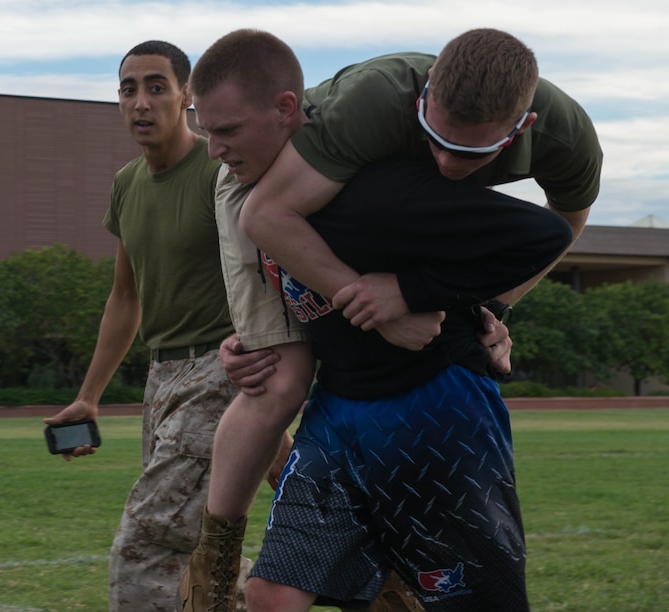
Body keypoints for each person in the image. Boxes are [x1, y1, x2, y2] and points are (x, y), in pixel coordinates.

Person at [182, 28, 596, 611]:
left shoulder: (553, 143)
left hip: (432, 401)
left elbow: (559, 225)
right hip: (345, 401)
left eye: (471, 153)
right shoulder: (362, 116)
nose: (450, 164)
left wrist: (486, 308)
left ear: (519, 131)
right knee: (276, 383)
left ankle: (387, 576)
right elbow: (267, 218)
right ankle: (215, 562)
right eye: (437, 141)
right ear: (420, 103)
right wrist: (358, 308)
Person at [42, 41, 261, 612]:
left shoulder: (222, 172)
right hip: (160, 378)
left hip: (221, 367)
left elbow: (275, 267)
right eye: (128, 88)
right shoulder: (127, 184)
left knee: (145, 544)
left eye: (156, 87)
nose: (141, 101)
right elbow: (125, 296)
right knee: (198, 552)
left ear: (187, 97)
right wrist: (89, 397)